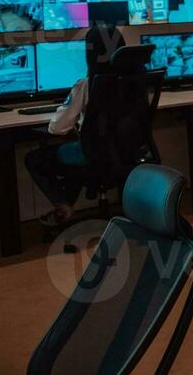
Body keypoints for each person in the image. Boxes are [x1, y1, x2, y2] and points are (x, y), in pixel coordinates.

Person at [25, 22, 125, 229]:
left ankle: (64, 206)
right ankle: (67, 204)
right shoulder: (133, 81)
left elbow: (57, 129)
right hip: (126, 150)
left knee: (35, 159)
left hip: (95, 153)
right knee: (76, 152)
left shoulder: (87, 84)